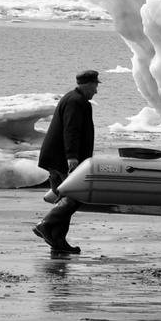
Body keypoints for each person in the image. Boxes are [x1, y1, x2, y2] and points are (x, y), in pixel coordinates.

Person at [33, 69, 101, 256]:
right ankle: (46, 225)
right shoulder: (76, 101)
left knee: (64, 198)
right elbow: (71, 130)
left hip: (56, 157)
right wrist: (72, 157)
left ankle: (58, 241)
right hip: (62, 158)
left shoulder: (72, 98)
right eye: (95, 86)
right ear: (88, 84)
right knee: (74, 196)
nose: (96, 91)